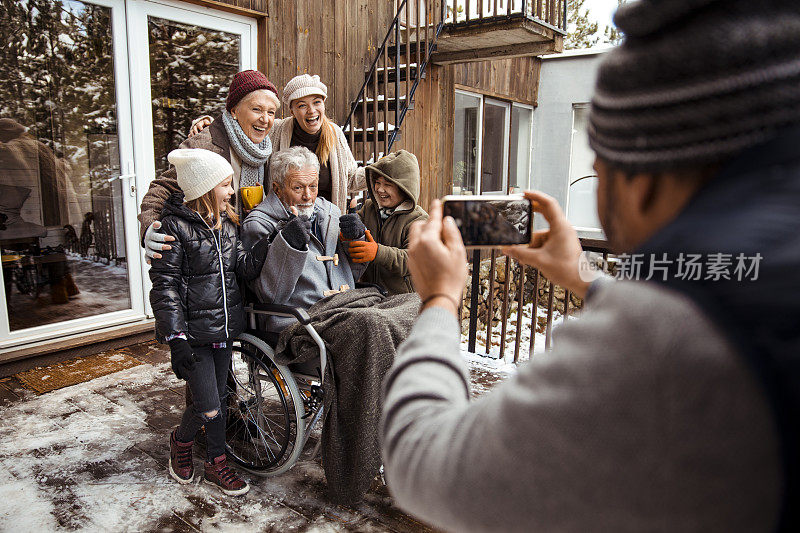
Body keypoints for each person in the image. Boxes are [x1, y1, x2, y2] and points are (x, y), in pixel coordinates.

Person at [380, 0, 799, 531]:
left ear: (642, 183)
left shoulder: (665, 343)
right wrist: (580, 276)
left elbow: (423, 462)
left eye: (600, 171)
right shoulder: (759, 264)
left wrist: (439, 299)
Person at [149, 148, 270, 497]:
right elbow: (165, 288)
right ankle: (188, 445)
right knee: (210, 405)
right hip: (193, 337)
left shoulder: (227, 224)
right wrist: (176, 339)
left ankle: (209, 456)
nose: (231, 191)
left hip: (222, 331)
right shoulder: (174, 229)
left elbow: (240, 269)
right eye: (225, 185)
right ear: (204, 188)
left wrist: (264, 247)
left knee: (217, 398)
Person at [138, 69, 280, 262]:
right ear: (234, 111)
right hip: (211, 258)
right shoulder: (207, 142)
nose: (265, 119)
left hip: (248, 255)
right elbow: (162, 188)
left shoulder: (264, 147)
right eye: (256, 109)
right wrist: (150, 229)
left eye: (271, 112)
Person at [190, 73, 366, 213]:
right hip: (280, 223)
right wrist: (209, 124)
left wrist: (379, 172)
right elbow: (240, 125)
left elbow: (350, 179)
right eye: (302, 105)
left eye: (317, 102)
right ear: (291, 110)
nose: (311, 111)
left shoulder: (334, 133)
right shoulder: (275, 128)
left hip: (325, 224)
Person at [240, 145, 368, 333]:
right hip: (300, 322)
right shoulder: (258, 223)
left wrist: (355, 239)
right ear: (277, 188)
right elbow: (270, 295)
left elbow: (353, 275)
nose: (308, 196)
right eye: (298, 187)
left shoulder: (330, 211)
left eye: (313, 186)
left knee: (407, 313)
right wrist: (288, 244)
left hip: (344, 309)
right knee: (371, 326)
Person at [351, 150, 428, 295]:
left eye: (387, 184)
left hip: (403, 299)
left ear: (405, 189)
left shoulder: (419, 220)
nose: (380, 189)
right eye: (377, 182)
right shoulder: (369, 208)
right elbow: (356, 233)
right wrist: (348, 229)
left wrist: (377, 253)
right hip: (370, 294)